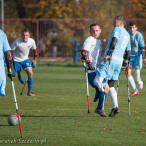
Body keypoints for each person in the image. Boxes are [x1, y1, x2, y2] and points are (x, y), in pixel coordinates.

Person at [93, 16, 131, 117]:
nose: (113, 24)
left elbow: (114, 40)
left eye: (115, 22)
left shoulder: (117, 29)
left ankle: (103, 92)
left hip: (111, 59)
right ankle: (115, 107)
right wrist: (124, 64)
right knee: (111, 84)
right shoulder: (127, 34)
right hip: (118, 62)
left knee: (97, 80)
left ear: (121, 23)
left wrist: (109, 54)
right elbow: (128, 52)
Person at [81, 23, 109, 117]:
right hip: (91, 71)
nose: (95, 32)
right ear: (90, 32)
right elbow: (84, 53)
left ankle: (98, 103)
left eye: (97, 30)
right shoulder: (89, 39)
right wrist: (89, 63)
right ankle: (99, 108)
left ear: (100, 30)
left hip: (98, 70)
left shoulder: (99, 41)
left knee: (105, 88)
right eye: (93, 31)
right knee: (104, 88)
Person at [11, 28, 37, 96]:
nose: (25, 37)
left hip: (25, 59)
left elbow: (35, 50)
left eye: (26, 35)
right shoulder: (17, 42)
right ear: (22, 35)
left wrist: (34, 61)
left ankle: (29, 92)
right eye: (23, 35)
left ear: (29, 35)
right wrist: (7, 60)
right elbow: (10, 51)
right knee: (18, 72)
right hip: (16, 59)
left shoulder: (32, 41)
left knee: (30, 73)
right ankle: (19, 76)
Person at [126, 22, 146, 96]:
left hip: (138, 56)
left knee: (137, 75)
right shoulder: (127, 34)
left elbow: (142, 47)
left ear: (136, 28)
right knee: (127, 73)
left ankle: (140, 82)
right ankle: (135, 90)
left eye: (133, 27)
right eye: (130, 27)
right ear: (128, 28)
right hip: (129, 56)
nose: (132, 29)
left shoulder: (139, 35)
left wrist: (144, 57)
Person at [0, 30, 14, 97]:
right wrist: (10, 70)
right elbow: (7, 54)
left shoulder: (2, 34)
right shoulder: (1, 34)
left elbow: (7, 53)